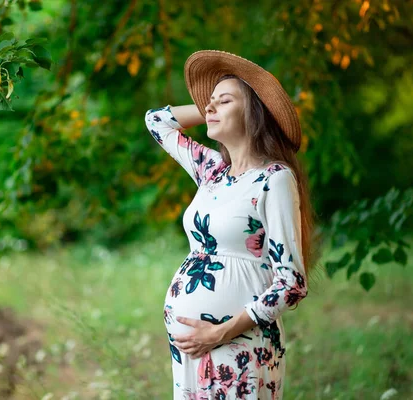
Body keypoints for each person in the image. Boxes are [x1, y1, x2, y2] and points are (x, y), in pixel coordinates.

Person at [144, 50, 315, 399]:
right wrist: (210, 105)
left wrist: (220, 332)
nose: (209, 109)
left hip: (240, 345)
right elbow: (156, 121)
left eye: (224, 102)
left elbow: (291, 282)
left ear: (253, 113)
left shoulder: (274, 179)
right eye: (210, 102)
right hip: (191, 351)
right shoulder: (212, 172)